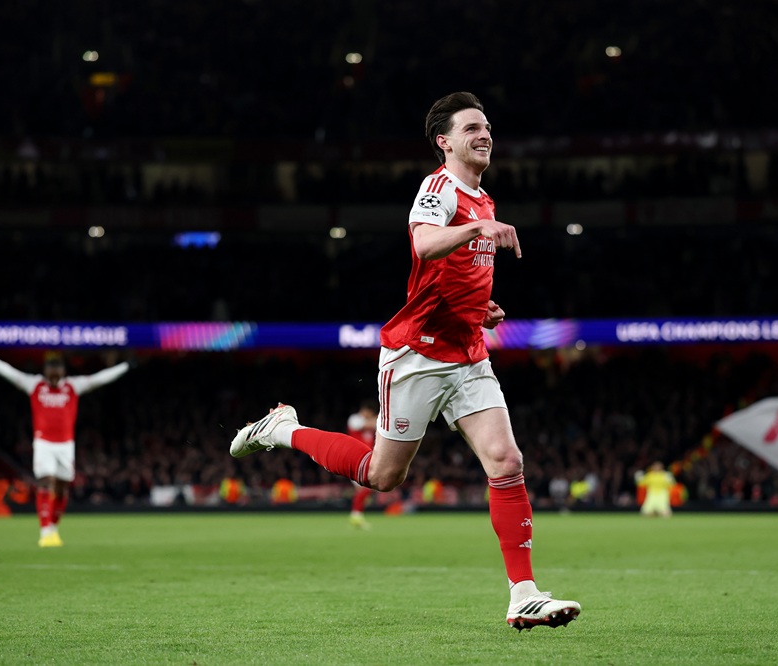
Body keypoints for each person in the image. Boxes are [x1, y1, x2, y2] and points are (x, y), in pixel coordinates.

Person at [230, 91, 580, 631]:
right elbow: (425, 246)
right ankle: (284, 428)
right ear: (444, 141)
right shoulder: (438, 189)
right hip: (415, 354)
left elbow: (451, 273)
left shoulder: (484, 200)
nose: (485, 134)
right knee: (382, 475)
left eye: (487, 127)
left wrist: (478, 308)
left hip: (466, 353)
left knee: (506, 463)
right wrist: (475, 230)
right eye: (472, 128)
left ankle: (523, 593)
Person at [0, 351, 130, 547]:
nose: (54, 371)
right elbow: (8, 372)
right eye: (50, 368)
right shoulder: (34, 385)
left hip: (66, 446)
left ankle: (53, 528)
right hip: (44, 443)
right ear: (45, 370)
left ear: (62, 370)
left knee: (61, 488)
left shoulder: (72, 386)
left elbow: (99, 379)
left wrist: (125, 366)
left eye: (57, 367)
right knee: (46, 481)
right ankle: (45, 532)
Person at [346, 399, 379, 529]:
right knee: (368, 487)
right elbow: (371, 424)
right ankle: (356, 515)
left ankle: (357, 516)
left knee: (365, 488)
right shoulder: (354, 419)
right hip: (355, 458)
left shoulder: (368, 423)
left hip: (367, 459)